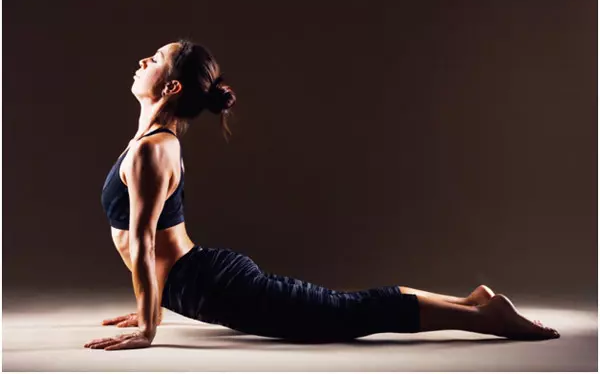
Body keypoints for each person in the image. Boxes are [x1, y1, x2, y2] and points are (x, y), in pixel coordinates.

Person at [84, 40, 560, 351]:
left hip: (211, 286)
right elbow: (150, 242)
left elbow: (144, 241)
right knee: (338, 307)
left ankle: (484, 317)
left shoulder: (155, 150)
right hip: (196, 281)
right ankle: (473, 301)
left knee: (342, 314)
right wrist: (154, 303)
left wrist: (148, 325)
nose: (142, 60)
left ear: (170, 86)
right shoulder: (150, 142)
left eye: (154, 58)